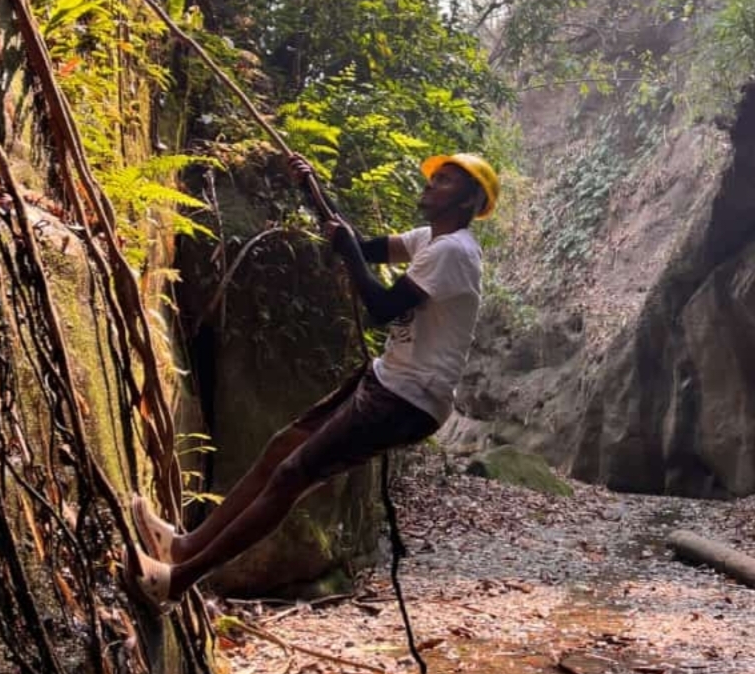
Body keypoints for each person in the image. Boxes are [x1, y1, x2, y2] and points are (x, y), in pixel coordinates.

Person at [129, 150, 498, 609]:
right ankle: (184, 547)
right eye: (434, 177)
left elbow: (382, 308)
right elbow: (359, 245)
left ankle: (176, 582)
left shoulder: (453, 251)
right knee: (282, 447)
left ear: (468, 201)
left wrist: (347, 247)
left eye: (445, 181)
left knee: (292, 474)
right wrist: (312, 188)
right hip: (387, 380)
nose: (431, 185)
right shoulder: (429, 239)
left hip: (408, 401)